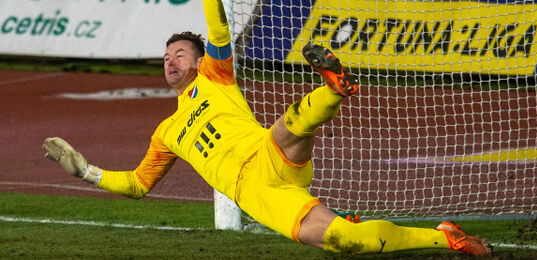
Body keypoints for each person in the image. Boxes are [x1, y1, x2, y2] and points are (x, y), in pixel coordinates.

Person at [42, 0, 491, 257]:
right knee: (344, 241)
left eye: (180, 53)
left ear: (199, 61)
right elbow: (139, 185)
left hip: (268, 152)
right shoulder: (166, 132)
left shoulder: (216, 76)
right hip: (262, 197)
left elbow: (217, 26)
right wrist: (87, 172)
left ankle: (334, 87)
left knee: (293, 123)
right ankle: (447, 236)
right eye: (166, 57)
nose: (171, 60)